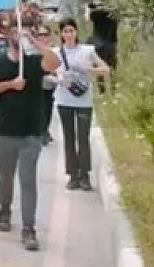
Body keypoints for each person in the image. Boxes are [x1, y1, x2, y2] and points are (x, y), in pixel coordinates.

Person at [0, 18, 60, 252]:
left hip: (30, 133)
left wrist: (34, 41)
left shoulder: (34, 62)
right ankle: (4, 210)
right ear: (6, 34)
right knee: (5, 176)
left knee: (27, 180)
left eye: (23, 30)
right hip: (4, 131)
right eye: (15, 30)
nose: (19, 34)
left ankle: (28, 228)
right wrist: (10, 85)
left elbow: (54, 63)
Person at [54, 18, 110, 192]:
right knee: (69, 138)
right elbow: (50, 73)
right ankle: (72, 175)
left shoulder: (87, 50)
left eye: (71, 30)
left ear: (76, 32)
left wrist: (88, 69)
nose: (69, 34)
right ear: (61, 34)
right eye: (65, 31)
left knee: (83, 139)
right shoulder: (56, 53)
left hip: (84, 100)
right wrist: (59, 80)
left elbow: (105, 69)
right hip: (64, 100)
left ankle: (84, 175)